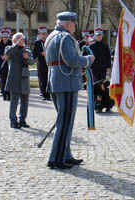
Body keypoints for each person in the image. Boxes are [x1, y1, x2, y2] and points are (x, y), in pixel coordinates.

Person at [45, 11, 95, 169]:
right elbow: (72, 60)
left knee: (64, 121)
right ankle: (56, 158)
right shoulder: (65, 37)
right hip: (66, 82)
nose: (75, 27)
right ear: (68, 24)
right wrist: (88, 60)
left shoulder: (51, 36)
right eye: (74, 24)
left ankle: (65, 155)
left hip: (57, 80)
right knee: (65, 122)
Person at [4, 32, 34, 129]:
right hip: (14, 79)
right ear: (14, 40)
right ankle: (13, 121)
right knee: (14, 102)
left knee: (25, 102)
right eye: (18, 38)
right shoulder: (9, 48)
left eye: (21, 39)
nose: (20, 40)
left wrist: (27, 58)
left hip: (24, 79)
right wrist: (16, 44)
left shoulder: (26, 50)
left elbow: (32, 62)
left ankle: (22, 120)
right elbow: (7, 54)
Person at [89, 28, 112, 112]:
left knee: (104, 87)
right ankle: (98, 105)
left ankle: (107, 104)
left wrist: (108, 67)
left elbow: (108, 58)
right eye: (97, 35)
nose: (99, 37)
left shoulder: (105, 46)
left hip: (103, 70)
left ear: (102, 36)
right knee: (96, 88)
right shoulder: (91, 47)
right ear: (95, 36)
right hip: (94, 71)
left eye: (100, 35)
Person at [32, 26, 50, 100]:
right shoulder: (37, 43)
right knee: (42, 79)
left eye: (45, 33)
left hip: (49, 63)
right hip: (41, 63)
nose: (44, 35)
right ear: (39, 34)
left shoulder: (50, 41)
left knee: (49, 79)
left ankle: (48, 94)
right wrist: (41, 53)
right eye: (42, 34)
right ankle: (44, 94)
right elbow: (34, 54)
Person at [0, 30, 12, 101]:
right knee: (3, 80)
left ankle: (10, 94)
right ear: (2, 37)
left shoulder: (11, 43)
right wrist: (1, 57)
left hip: (10, 64)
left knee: (10, 80)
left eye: (6, 37)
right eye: (4, 37)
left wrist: (10, 56)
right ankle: (4, 95)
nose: (5, 38)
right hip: (2, 65)